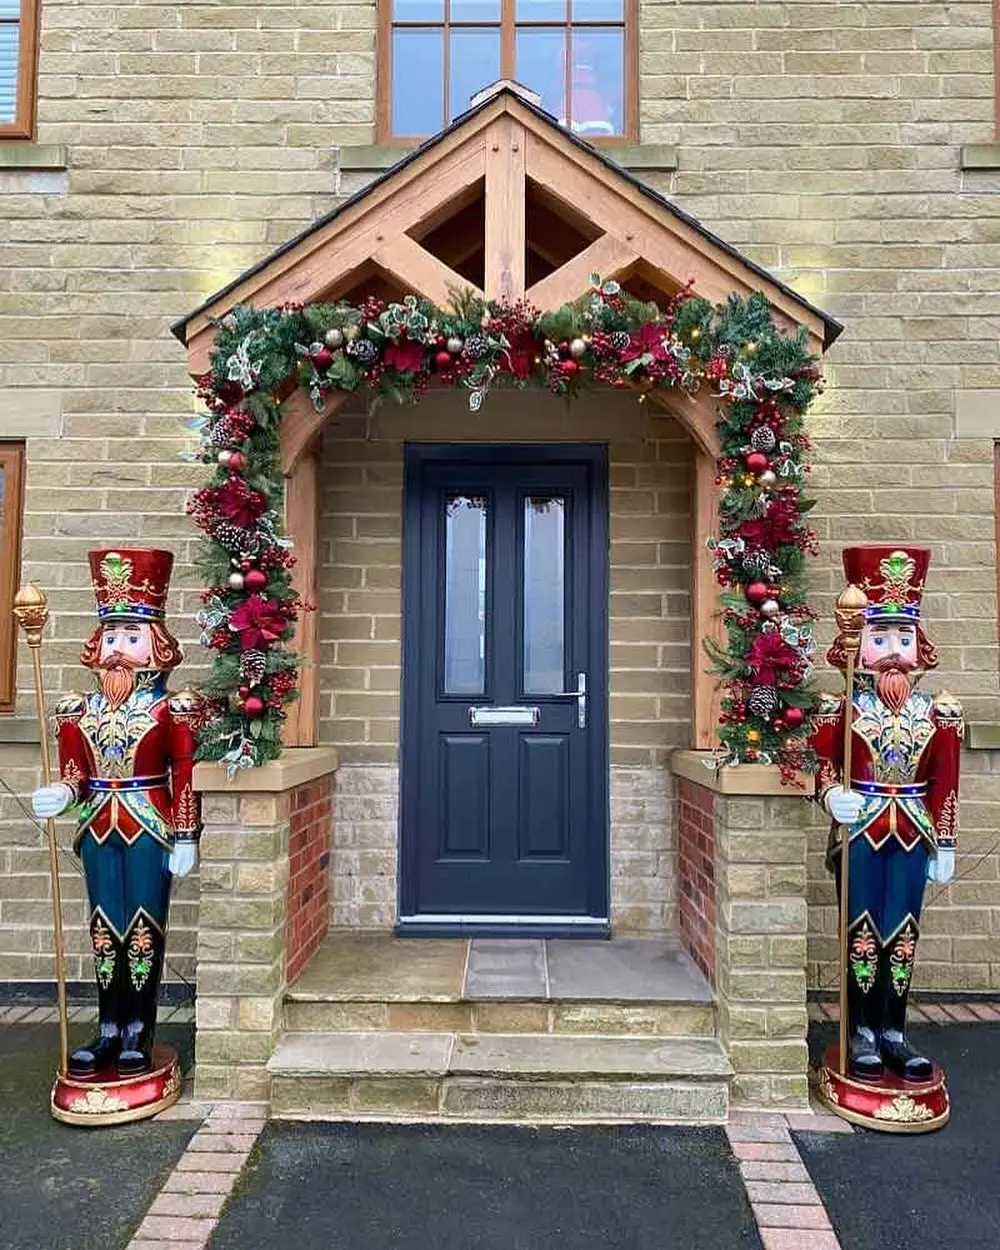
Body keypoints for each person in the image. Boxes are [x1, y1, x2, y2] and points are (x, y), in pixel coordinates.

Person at [31, 549, 201, 1077]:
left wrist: (187, 834)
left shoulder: (173, 708)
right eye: (111, 637)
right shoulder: (75, 710)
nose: (118, 651)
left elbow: (183, 773)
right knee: (104, 927)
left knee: (144, 925)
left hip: (150, 822)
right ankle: (108, 1027)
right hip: (98, 822)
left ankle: (139, 1031)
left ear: (156, 644)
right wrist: (63, 792)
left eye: (132, 637)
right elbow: (76, 771)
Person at [812, 545, 962, 1082]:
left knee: (903, 929)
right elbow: (823, 765)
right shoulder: (841, 708)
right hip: (862, 829)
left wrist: (945, 843)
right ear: (858, 646)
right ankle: (861, 1032)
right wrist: (831, 796)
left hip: (913, 830)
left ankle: (893, 1029)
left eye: (903, 641)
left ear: (920, 648)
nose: (893, 654)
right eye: (880, 641)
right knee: (861, 926)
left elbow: (946, 783)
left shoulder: (940, 714)